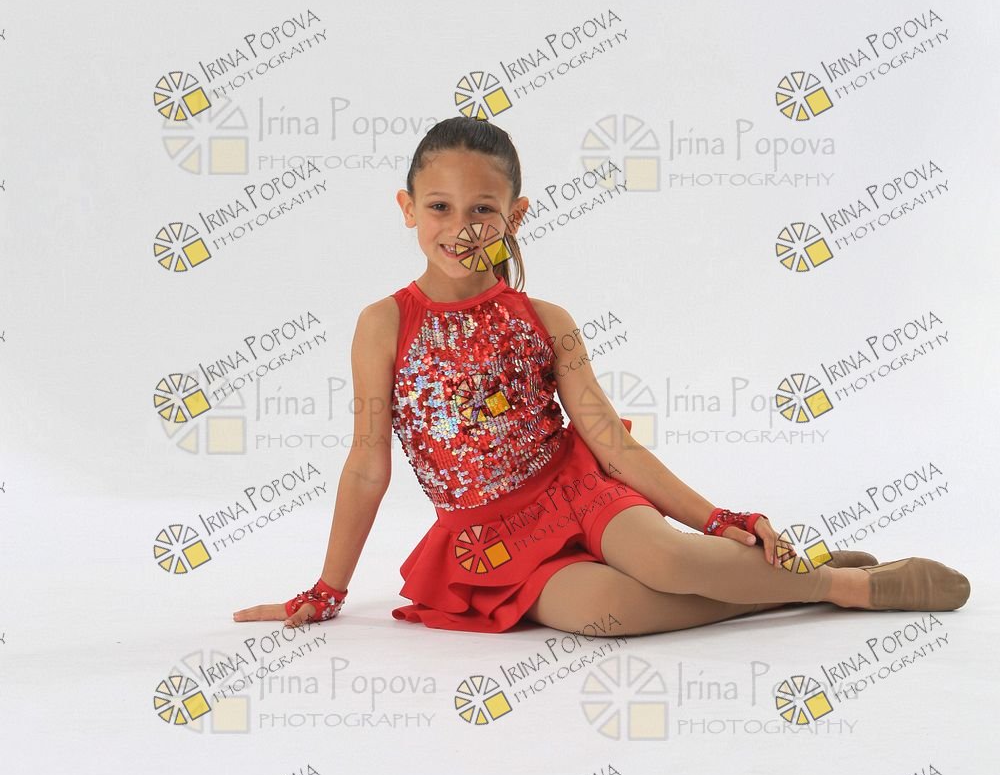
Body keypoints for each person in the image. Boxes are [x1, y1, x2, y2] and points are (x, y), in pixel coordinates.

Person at [233, 118, 970, 637]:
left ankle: (850, 587)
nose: (461, 226)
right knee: (607, 614)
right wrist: (328, 588)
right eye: (440, 207)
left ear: (516, 215)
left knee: (668, 558)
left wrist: (719, 520)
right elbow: (368, 463)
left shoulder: (544, 318)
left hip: (577, 491)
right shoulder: (384, 323)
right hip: (488, 537)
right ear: (407, 210)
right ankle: (782, 586)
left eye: (483, 208)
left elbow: (611, 441)